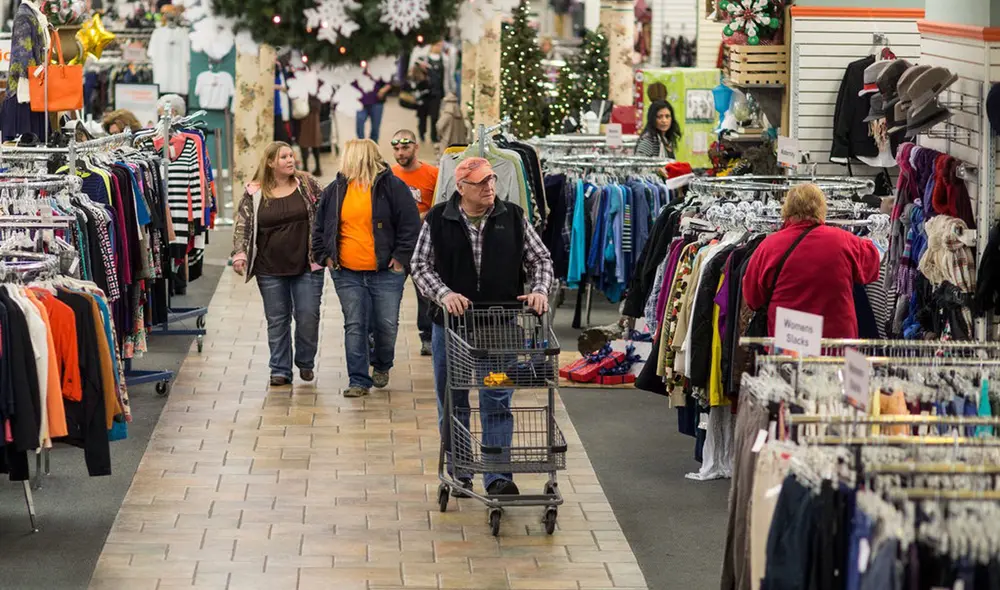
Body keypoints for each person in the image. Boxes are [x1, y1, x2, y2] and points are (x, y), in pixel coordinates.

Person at [410, 157, 554, 498]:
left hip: (499, 326)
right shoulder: (438, 219)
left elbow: (541, 259)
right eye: (480, 182)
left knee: (496, 398)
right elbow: (420, 265)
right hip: (451, 328)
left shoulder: (513, 217)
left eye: (491, 180)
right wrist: (444, 294)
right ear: (461, 188)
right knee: (454, 399)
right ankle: (460, 472)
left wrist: (539, 290)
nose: (489, 187)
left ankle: (498, 477)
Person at [312, 139, 421, 398]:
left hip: (386, 272)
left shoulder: (393, 187)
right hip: (346, 271)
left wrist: (399, 259)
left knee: (386, 325)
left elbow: (410, 225)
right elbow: (320, 227)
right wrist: (325, 257)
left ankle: (382, 363)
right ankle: (358, 379)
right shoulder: (335, 190)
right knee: (355, 324)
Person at [232, 142, 325, 387]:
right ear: (271, 162)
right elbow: (243, 224)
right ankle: (280, 369)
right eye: (284, 157)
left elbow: (326, 211)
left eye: (291, 155)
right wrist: (240, 253)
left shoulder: (307, 184)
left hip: (307, 265)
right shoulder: (255, 192)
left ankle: (305, 361)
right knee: (277, 320)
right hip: (269, 268)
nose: (290, 160)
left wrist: (328, 247)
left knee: (308, 316)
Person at [742, 183, 881, 339]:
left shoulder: (768, 247)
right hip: (836, 340)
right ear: (821, 208)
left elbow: (752, 299)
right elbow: (871, 268)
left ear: (786, 209)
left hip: (792, 338)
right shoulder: (844, 241)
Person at [390, 129, 438, 356]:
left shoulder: (433, 174)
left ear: (416, 147)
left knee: (425, 293)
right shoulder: (389, 175)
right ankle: (381, 339)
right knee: (390, 293)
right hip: (398, 245)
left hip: (425, 245)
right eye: (396, 148)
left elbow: (440, 205)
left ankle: (428, 336)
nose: (400, 152)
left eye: (405, 147)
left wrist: (422, 215)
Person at [410, 40, 456, 144]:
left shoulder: (445, 59)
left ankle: (434, 136)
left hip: (437, 92)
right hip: (423, 92)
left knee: (435, 115)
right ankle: (422, 133)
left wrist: (451, 89)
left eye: (440, 45)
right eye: (436, 45)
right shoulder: (422, 58)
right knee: (422, 115)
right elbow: (413, 73)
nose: (438, 47)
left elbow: (449, 75)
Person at [355, 71, 390, 143]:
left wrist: (383, 90)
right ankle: (361, 144)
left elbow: (388, 83)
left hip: (376, 102)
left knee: (375, 127)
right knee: (359, 124)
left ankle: (373, 145)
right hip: (361, 102)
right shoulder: (356, 69)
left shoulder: (378, 68)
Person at [298, 96, 324, 176]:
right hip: (315, 111)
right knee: (314, 140)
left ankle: (305, 167)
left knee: (304, 140)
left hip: (304, 111)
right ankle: (317, 167)